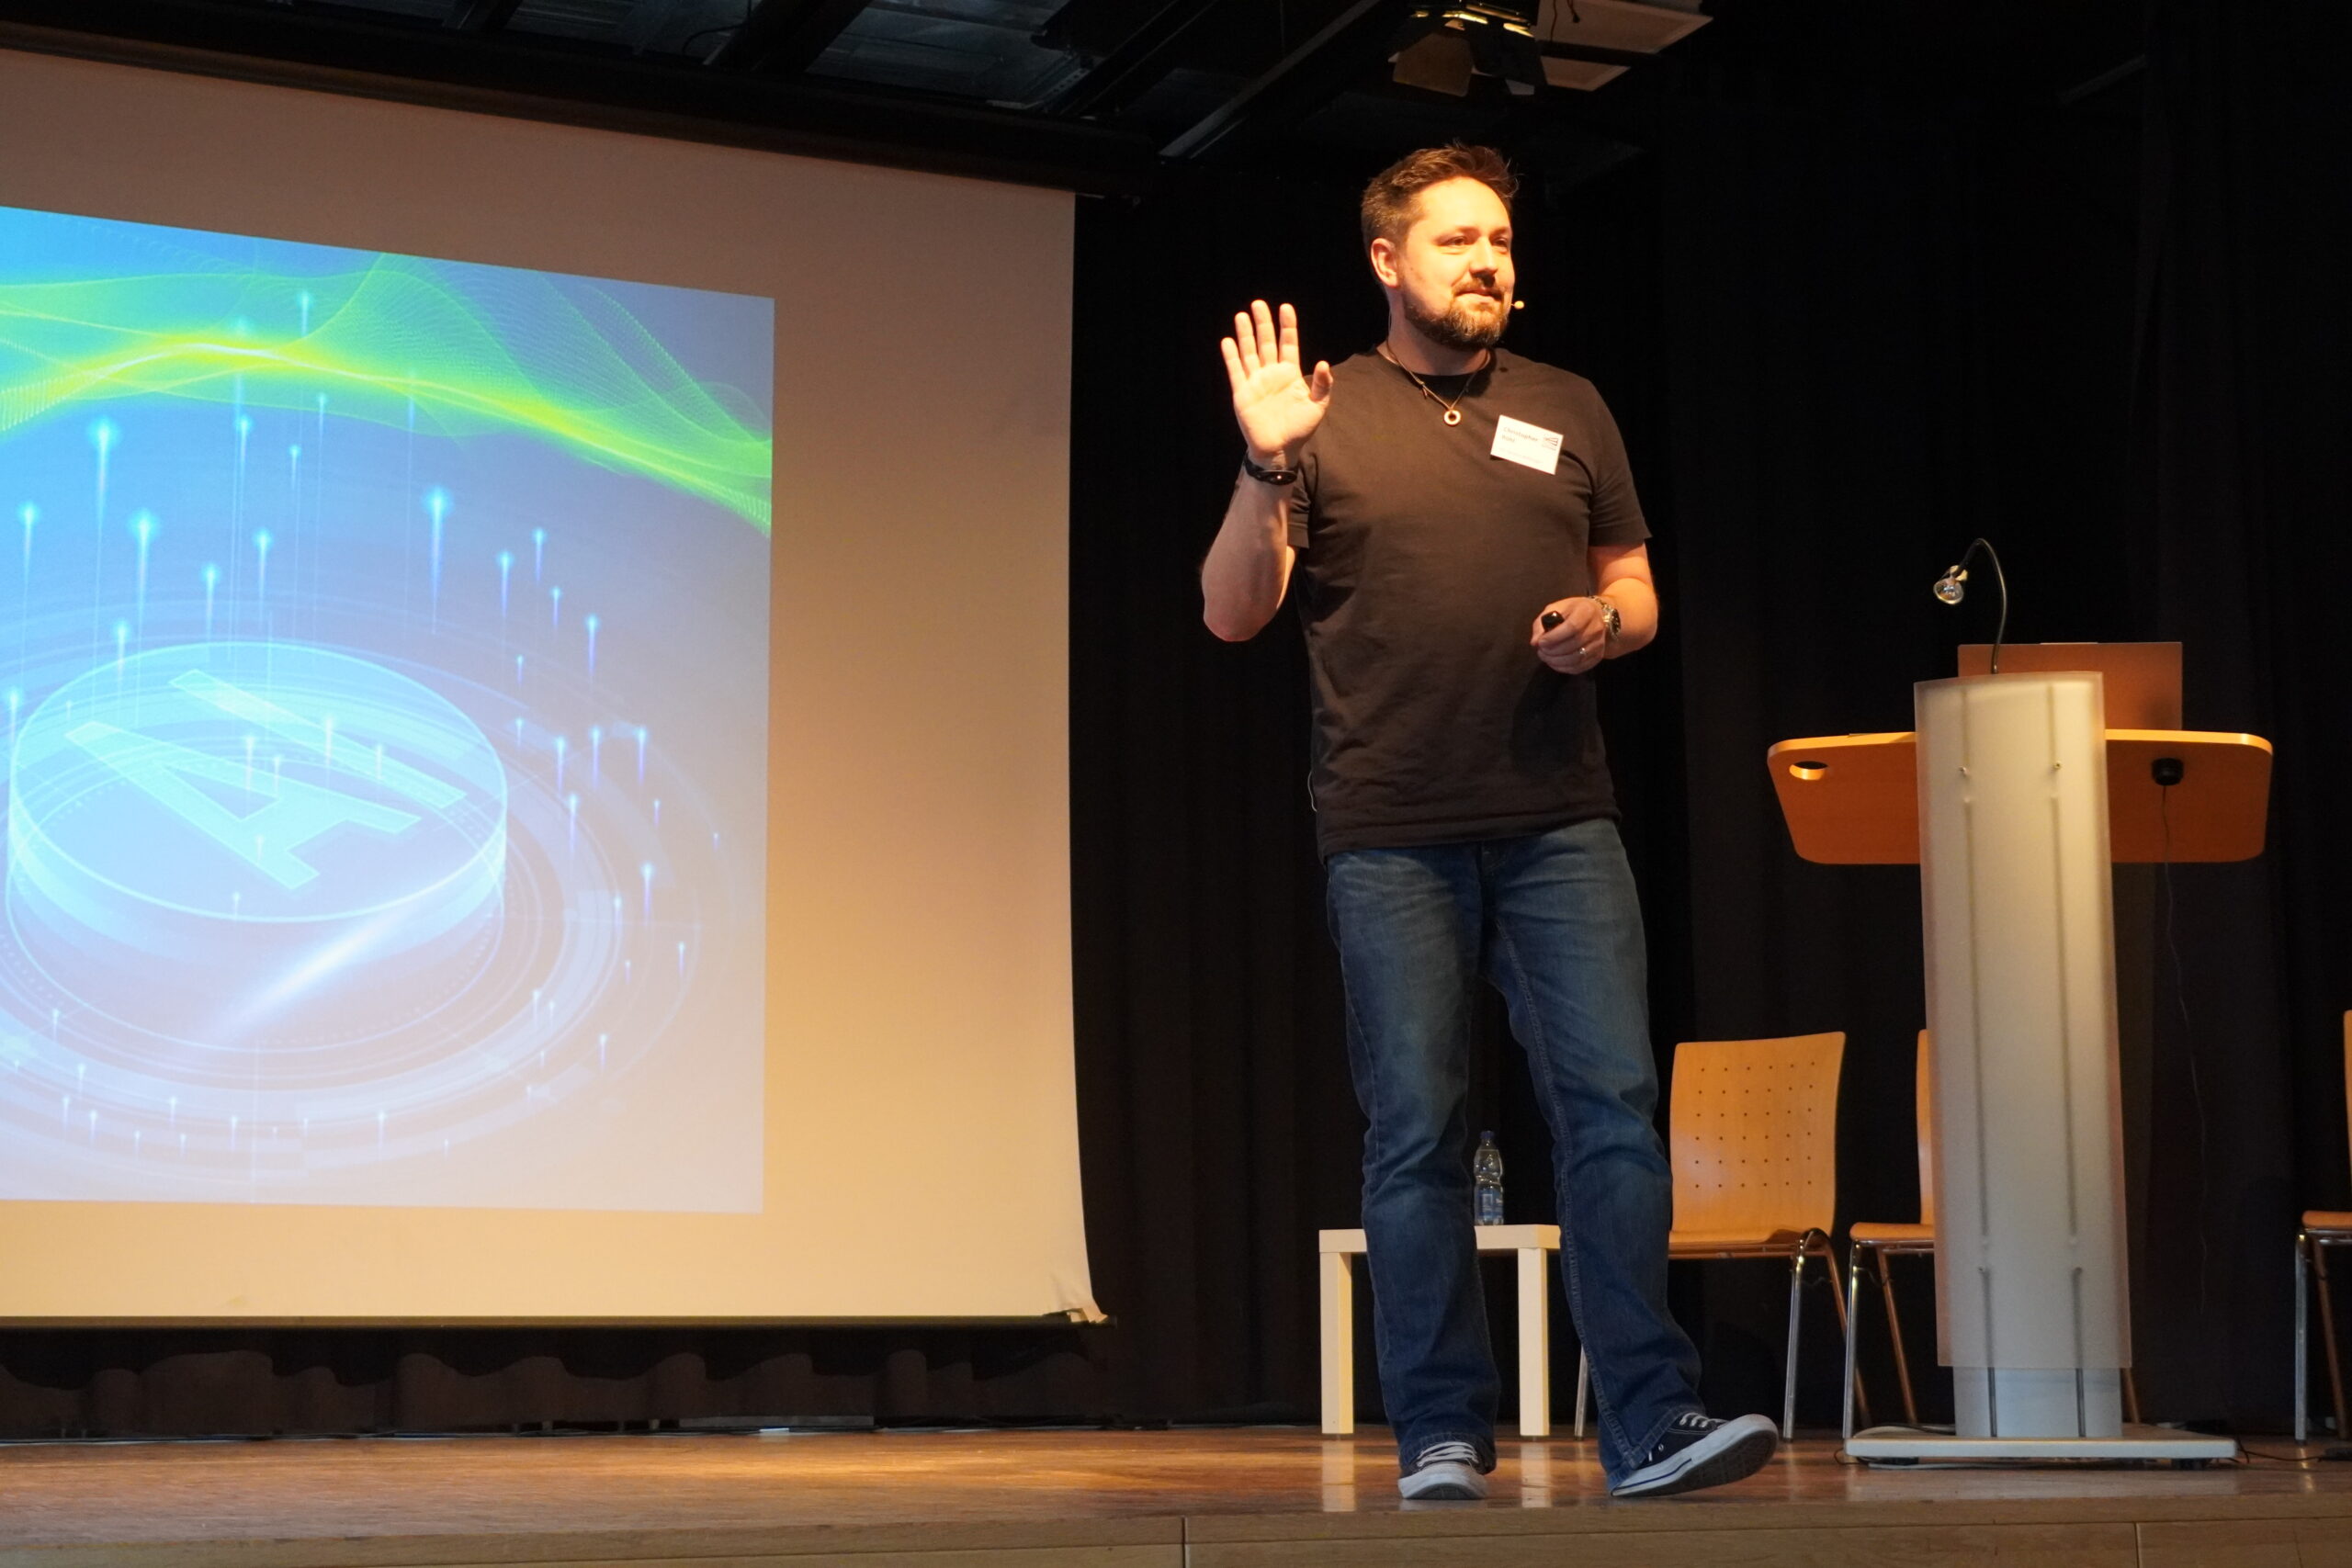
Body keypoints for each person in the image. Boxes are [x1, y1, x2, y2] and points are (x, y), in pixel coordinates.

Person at [1199, 143, 1777, 1501]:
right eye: (1456, 240)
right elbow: (1232, 611)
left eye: (1502, 240)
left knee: (1613, 1112)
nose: (1487, 262)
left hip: (1561, 823)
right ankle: (1442, 1432)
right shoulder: (1323, 414)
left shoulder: (1570, 405)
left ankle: (1651, 1422)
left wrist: (1607, 623)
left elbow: (1637, 588)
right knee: (1420, 1134)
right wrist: (1263, 463)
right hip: (1391, 830)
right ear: (1386, 260)